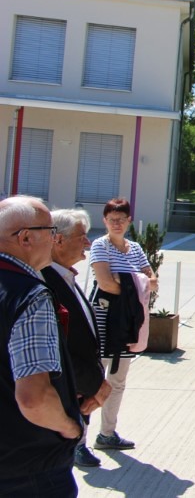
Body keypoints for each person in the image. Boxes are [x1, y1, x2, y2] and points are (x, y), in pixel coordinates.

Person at [0, 196, 83, 496]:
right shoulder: (29, 296)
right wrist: (70, 428)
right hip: (29, 469)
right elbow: (34, 399)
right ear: (25, 238)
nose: (54, 239)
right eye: (50, 231)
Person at [42, 209, 111, 469]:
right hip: (60, 407)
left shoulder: (64, 277)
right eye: (81, 236)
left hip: (77, 399)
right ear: (58, 240)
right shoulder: (45, 282)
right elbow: (56, 351)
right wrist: (95, 385)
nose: (88, 243)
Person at [88, 197, 157, 452]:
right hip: (103, 318)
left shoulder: (135, 248)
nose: (116, 224)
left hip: (128, 320)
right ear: (104, 221)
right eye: (111, 219)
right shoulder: (100, 246)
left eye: (121, 219)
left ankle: (107, 433)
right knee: (93, 379)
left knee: (118, 380)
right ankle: (79, 442)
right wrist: (135, 283)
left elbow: (153, 282)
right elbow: (104, 283)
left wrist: (124, 280)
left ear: (129, 221)